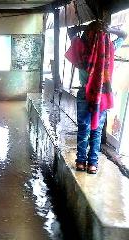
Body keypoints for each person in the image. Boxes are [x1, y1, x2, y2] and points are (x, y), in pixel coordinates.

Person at [65, 20, 127, 174]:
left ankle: (80, 162)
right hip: (102, 96)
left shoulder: (81, 49)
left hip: (84, 94)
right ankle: (92, 164)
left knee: (83, 129)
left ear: (87, 35)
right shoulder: (108, 49)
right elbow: (124, 34)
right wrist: (108, 29)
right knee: (96, 131)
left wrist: (88, 27)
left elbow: (71, 31)